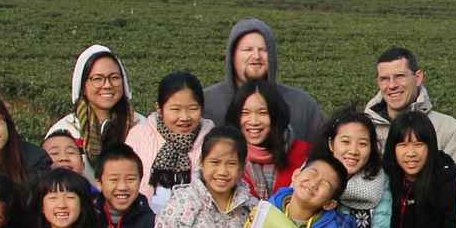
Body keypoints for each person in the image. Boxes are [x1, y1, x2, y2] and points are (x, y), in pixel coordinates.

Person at [202, 17, 327, 149]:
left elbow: (323, 155)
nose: (256, 56)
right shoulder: (206, 103)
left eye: (263, 50)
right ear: (232, 56)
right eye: (248, 49)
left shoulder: (302, 105)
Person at [383, 112, 456, 228]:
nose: (411, 153)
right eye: (402, 145)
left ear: (430, 146)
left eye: (418, 144)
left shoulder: (448, 182)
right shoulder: (384, 178)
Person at [45, 44, 136, 176]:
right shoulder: (65, 130)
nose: (107, 85)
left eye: (114, 78)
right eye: (97, 79)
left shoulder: (140, 126)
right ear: (83, 86)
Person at [321, 111, 393, 228]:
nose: (353, 151)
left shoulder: (380, 182)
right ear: (332, 144)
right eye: (345, 142)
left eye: (362, 144)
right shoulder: (312, 175)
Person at [365, 47, 456, 158]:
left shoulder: (451, 131)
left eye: (399, 76)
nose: (392, 85)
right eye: (384, 79)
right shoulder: (361, 130)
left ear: (418, 78)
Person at [125, 71, 208, 197]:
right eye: (175, 109)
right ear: (159, 109)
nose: (184, 117)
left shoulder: (212, 141)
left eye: (192, 109)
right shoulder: (138, 136)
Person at [227, 79, 309, 204]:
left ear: (276, 115)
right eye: (245, 113)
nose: (253, 121)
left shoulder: (305, 154)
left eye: (262, 112)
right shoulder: (225, 155)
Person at [270, 154, 359, 228]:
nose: (314, 184)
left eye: (325, 184)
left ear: (329, 204)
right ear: (296, 175)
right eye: (312, 173)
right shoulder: (266, 211)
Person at [93, 143, 157, 228]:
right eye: (114, 179)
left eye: (130, 179)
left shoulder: (151, 223)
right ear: (99, 183)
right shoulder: (88, 218)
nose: (122, 187)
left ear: (140, 181)